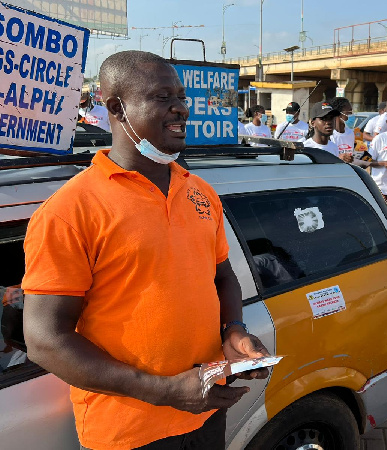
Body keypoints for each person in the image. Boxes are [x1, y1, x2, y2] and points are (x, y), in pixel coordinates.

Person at [21, 51, 269, 450]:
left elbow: (222, 276)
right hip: (127, 432)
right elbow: (46, 339)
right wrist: (163, 391)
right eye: (162, 97)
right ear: (116, 107)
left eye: (182, 97)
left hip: (205, 411)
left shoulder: (199, 191)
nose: (180, 109)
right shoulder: (70, 211)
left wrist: (233, 331)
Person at [329, 97, 355, 163]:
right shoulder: (329, 135)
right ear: (338, 113)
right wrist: (338, 157)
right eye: (349, 112)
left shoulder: (350, 133)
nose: (351, 115)